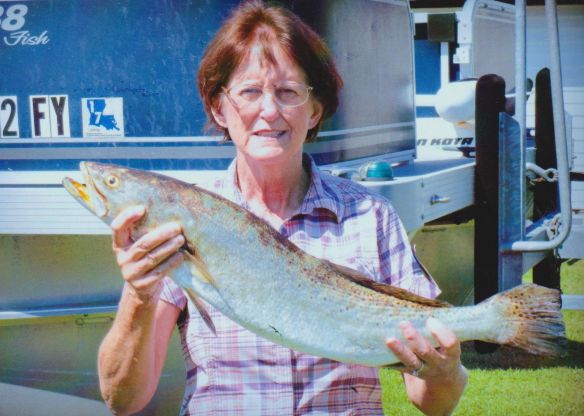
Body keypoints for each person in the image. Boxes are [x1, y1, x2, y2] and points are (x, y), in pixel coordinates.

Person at [97, 2, 468, 415]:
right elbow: (122, 399)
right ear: (219, 108)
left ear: (315, 110)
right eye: (249, 92)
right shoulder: (183, 221)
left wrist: (445, 372)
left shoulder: (371, 216)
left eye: (288, 92)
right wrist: (139, 294)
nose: (269, 111)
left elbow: (430, 402)